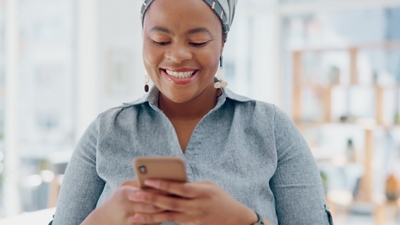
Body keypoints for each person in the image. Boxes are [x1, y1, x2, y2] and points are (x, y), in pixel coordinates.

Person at [51, 0, 333, 224]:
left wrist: (243, 221)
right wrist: (102, 222)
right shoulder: (105, 132)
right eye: (161, 41)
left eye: (197, 41)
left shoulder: (271, 128)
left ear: (223, 41)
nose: (177, 56)